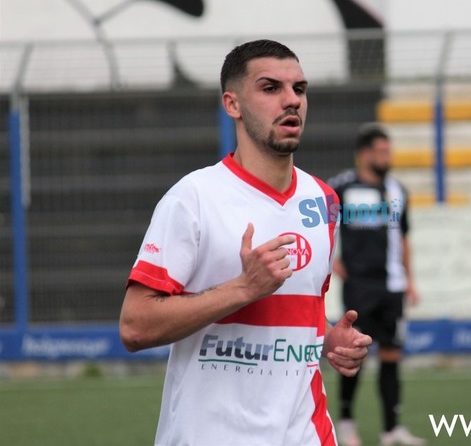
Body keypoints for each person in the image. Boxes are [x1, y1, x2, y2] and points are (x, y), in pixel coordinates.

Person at [119, 39, 372, 446]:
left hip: (306, 433)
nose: (292, 101)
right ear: (232, 104)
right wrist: (243, 288)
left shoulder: (323, 200)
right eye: (271, 88)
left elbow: (298, 313)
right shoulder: (193, 198)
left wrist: (326, 339)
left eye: (300, 89)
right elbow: (134, 326)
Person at [327, 125, 425, 446]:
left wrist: (409, 281)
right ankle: (345, 422)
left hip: (392, 287)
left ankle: (391, 429)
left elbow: (404, 238)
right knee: (354, 354)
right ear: (365, 153)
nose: (387, 157)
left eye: (388, 151)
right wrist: (331, 262)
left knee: (391, 356)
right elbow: (320, 227)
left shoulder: (398, 190)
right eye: (381, 151)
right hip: (359, 287)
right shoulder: (340, 187)